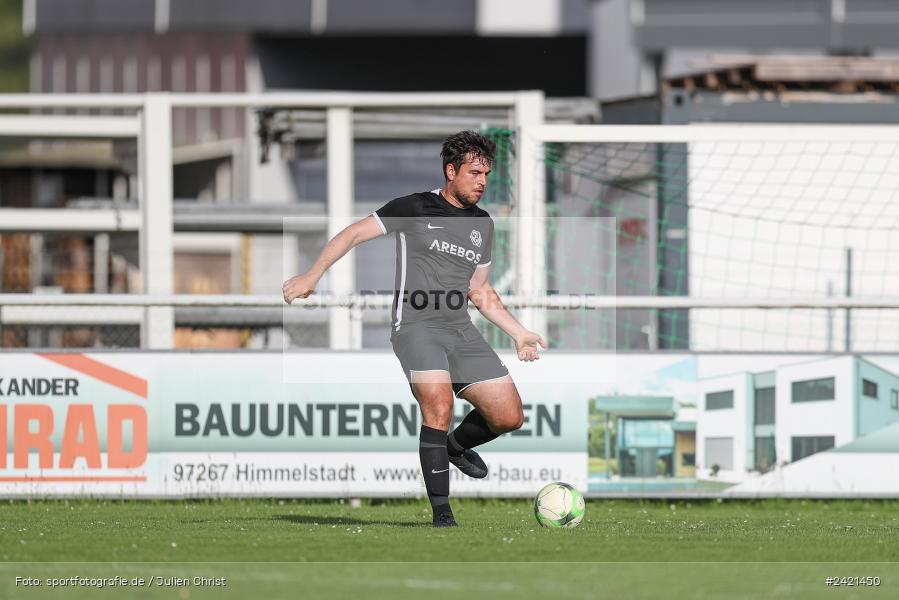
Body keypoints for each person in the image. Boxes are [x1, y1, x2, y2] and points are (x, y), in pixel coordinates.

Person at [282, 131, 545, 527]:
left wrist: (519, 332)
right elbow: (354, 233)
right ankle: (443, 515)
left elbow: (479, 288)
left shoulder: (483, 224)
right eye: (474, 172)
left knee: (508, 416)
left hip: (459, 329)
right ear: (450, 171)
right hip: (416, 327)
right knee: (439, 407)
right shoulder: (416, 206)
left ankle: (454, 448)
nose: (482, 181)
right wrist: (311, 275)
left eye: (487, 174)